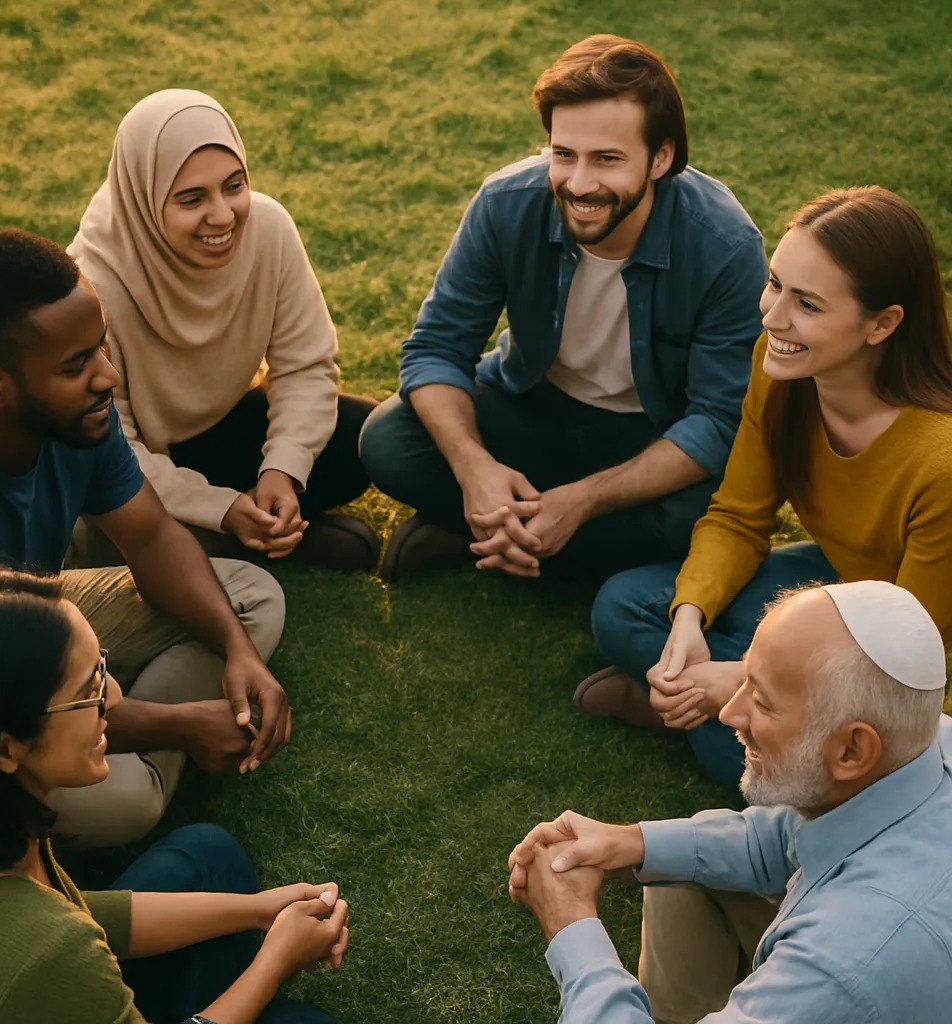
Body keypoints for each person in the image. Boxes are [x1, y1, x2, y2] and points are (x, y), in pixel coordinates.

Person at [0, 227, 290, 847]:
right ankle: (146, 737)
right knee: (121, 806)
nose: (109, 376)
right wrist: (180, 726)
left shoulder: (75, 415)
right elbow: (10, 708)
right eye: (78, 365)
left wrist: (237, 651)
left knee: (250, 600)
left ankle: (120, 721)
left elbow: (150, 537)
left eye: (99, 349)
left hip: (37, 622)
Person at [359, 34, 767, 582]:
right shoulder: (505, 204)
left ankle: (481, 539)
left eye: (607, 160)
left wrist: (585, 499)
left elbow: (718, 421)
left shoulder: (725, 245)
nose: (579, 183)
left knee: (702, 509)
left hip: (649, 433)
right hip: (532, 406)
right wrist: (474, 468)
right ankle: (534, 537)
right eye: (564, 154)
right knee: (388, 441)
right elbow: (436, 348)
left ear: (661, 157)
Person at [586, 186, 952, 790]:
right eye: (775, 283)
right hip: (844, 584)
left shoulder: (938, 461)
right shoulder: (781, 367)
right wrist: (687, 622)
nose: (773, 317)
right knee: (628, 607)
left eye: (807, 304)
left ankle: (707, 719)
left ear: (882, 324)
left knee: (808, 771)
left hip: (911, 656)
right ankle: (728, 716)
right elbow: (737, 516)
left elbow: (908, 662)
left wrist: (738, 681)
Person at [509, 581, 952, 1023]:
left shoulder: (844, 965)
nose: (728, 714)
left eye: (761, 700)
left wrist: (571, 925)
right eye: (744, 680)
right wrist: (631, 842)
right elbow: (788, 834)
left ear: (853, 751)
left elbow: (844, 966)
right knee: (682, 866)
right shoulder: (926, 739)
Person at [0, 568, 347, 1024]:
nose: (115, 697)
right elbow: (60, 943)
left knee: (209, 854)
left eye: (102, 669)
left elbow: (80, 913)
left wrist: (259, 912)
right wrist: (275, 963)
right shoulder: (50, 953)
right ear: (8, 747)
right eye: (87, 690)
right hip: (58, 976)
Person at [67, 89, 378, 573]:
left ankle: (253, 532)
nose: (223, 215)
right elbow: (112, 445)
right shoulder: (92, 286)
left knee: (363, 435)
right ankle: (247, 543)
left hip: (225, 427)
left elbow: (305, 365)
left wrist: (282, 471)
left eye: (234, 186)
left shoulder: (269, 229)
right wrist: (222, 509)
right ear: (143, 197)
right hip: (141, 463)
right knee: (116, 516)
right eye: (192, 199)